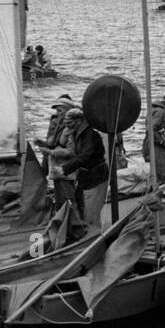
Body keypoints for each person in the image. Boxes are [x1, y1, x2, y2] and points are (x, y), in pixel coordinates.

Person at [54, 108, 108, 236]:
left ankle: (95, 239)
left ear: (79, 121)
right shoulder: (76, 134)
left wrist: (64, 169)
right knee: (82, 210)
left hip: (96, 178)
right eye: (65, 123)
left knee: (91, 215)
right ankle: (88, 235)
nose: (67, 126)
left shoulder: (90, 135)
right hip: (85, 178)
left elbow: (85, 156)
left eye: (69, 122)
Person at [35, 96, 76, 209]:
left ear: (68, 111)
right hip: (57, 171)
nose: (57, 113)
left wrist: (51, 152)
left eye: (59, 110)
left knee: (68, 202)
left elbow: (71, 152)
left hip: (65, 172)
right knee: (60, 203)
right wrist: (42, 143)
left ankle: (73, 224)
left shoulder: (71, 129)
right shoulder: (59, 127)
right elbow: (53, 144)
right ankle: (63, 223)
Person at [142, 88, 165, 184]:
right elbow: (151, 129)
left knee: (155, 171)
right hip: (154, 144)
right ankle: (156, 194)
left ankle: (155, 191)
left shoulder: (157, 109)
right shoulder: (161, 112)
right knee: (159, 173)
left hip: (152, 142)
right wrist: (161, 141)